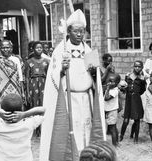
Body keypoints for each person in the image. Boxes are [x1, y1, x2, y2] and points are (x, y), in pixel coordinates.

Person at [40, 9, 106, 160]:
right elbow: (52, 77)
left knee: (87, 130)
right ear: (68, 32)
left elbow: (98, 78)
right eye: (76, 31)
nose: (79, 34)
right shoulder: (61, 50)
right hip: (70, 99)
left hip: (87, 99)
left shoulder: (88, 51)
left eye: (82, 31)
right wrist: (62, 70)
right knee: (73, 131)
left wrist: (94, 72)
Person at [25, 41, 49, 136]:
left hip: (44, 84)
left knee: (43, 105)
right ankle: (35, 129)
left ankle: (44, 128)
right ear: (33, 49)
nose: (39, 49)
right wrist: (27, 91)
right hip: (33, 84)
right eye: (37, 48)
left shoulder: (46, 62)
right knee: (34, 105)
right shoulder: (29, 62)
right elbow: (27, 77)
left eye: (40, 48)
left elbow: (48, 76)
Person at [120, 60, 146, 143]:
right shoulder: (128, 76)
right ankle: (121, 136)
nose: (137, 68)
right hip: (128, 100)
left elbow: (142, 90)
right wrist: (123, 89)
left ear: (142, 68)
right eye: (136, 66)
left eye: (139, 66)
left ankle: (136, 138)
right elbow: (125, 87)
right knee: (126, 119)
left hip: (136, 100)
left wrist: (136, 94)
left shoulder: (142, 79)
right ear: (133, 67)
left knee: (137, 119)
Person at [104, 73, 120, 147]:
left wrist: (107, 89)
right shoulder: (111, 89)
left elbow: (106, 98)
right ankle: (116, 142)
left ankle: (115, 144)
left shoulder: (115, 90)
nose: (109, 83)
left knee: (112, 127)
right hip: (108, 110)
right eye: (109, 81)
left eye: (112, 82)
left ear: (117, 83)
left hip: (112, 111)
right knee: (111, 127)